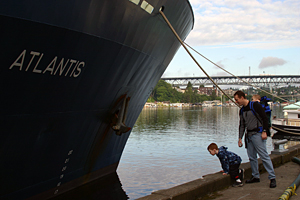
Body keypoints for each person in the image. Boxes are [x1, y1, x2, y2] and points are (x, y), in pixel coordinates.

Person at [234, 90, 276, 188]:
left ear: (242, 97)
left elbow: (264, 118)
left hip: (258, 134)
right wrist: (240, 137)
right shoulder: (242, 110)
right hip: (249, 136)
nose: (236, 102)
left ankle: (272, 177)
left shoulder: (255, 106)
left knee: (264, 156)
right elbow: (242, 125)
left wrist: (265, 131)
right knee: (252, 157)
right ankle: (255, 176)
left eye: (237, 100)